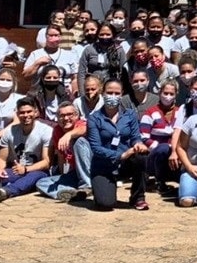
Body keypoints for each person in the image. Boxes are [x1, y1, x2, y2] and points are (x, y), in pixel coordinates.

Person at [85, 78, 149, 211]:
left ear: (122, 94)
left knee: (141, 157)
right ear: (102, 93)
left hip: (125, 165)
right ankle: (101, 190)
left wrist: (138, 144)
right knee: (106, 204)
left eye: (116, 93)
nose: (113, 96)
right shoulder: (94, 118)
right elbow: (96, 148)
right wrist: (121, 155)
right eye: (109, 93)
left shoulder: (130, 114)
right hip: (103, 166)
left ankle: (138, 197)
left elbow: (135, 137)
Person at [35, 101, 91, 202]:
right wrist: (63, 175)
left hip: (93, 171)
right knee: (41, 183)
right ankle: (71, 193)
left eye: (70, 114)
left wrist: (69, 135)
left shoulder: (81, 124)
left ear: (77, 116)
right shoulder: (57, 131)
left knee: (80, 141)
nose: (66, 118)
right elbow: (61, 157)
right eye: (62, 116)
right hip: (76, 173)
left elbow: (84, 129)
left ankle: (87, 186)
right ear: (57, 118)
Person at [141, 79, 180, 190]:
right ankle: (160, 181)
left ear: (176, 94)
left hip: (175, 154)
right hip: (155, 155)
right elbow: (143, 137)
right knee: (163, 148)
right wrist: (161, 146)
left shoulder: (180, 112)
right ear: (159, 93)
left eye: (171, 94)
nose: (168, 97)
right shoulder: (150, 112)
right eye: (165, 93)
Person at [77, 23, 126, 88]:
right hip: (92, 87)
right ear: (97, 35)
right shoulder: (89, 49)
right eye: (101, 34)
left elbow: (124, 72)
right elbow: (81, 73)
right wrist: (82, 91)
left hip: (111, 87)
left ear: (113, 35)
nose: (104, 37)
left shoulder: (119, 50)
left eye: (108, 34)